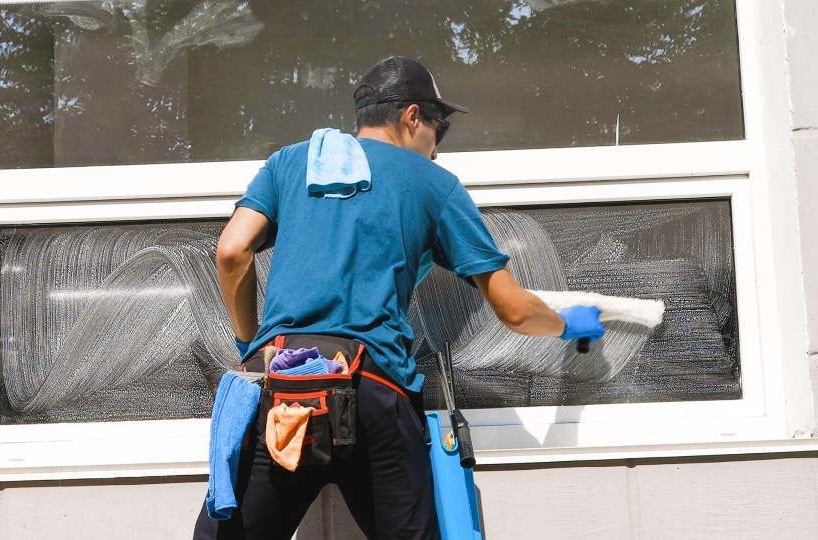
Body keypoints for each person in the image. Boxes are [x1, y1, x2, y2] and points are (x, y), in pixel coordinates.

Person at [193, 56, 604, 539]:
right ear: (412, 117)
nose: (437, 149)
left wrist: (251, 344)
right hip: (374, 389)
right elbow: (513, 309)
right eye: (439, 129)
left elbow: (232, 251)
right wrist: (566, 324)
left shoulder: (291, 162)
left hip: (286, 390)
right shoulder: (433, 184)